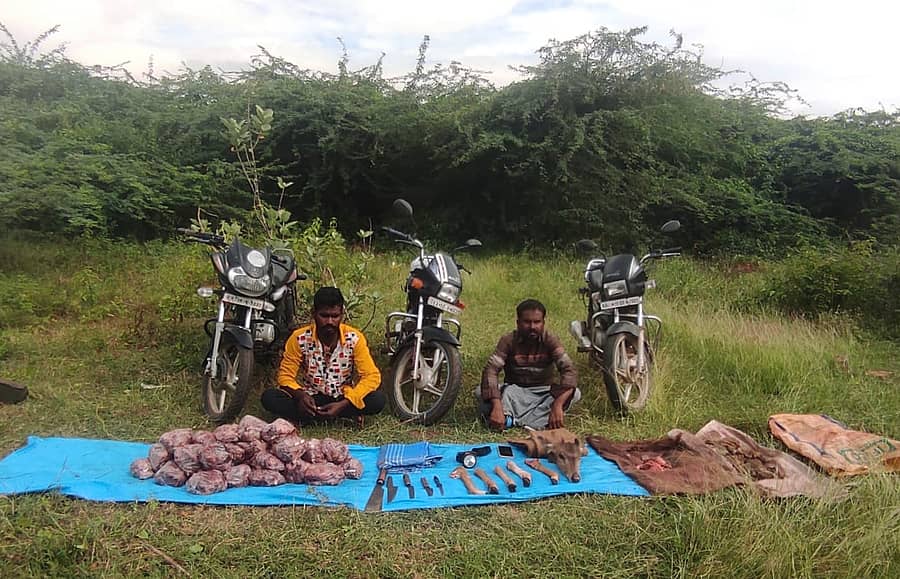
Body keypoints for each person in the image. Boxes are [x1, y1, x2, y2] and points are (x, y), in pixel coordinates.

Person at [261, 286, 385, 425]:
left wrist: (345, 403)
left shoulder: (355, 338)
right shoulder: (299, 338)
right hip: (311, 397)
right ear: (314, 313)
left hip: (342, 398)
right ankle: (326, 414)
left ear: (342, 315)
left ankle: (313, 417)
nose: (330, 322)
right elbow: (285, 377)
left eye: (335, 316)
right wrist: (301, 396)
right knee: (270, 397)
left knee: (377, 400)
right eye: (324, 316)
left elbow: (372, 376)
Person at [478, 299, 580, 431]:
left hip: (542, 392)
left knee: (575, 393)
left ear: (543, 323)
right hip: (514, 392)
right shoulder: (508, 341)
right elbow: (491, 370)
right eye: (527, 322)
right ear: (518, 323)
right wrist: (497, 405)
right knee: (480, 392)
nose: (532, 326)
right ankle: (536, 421)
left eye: (537, 322)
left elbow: (569, 370)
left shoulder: (550, 340)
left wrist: (557, 405)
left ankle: (511, 418)